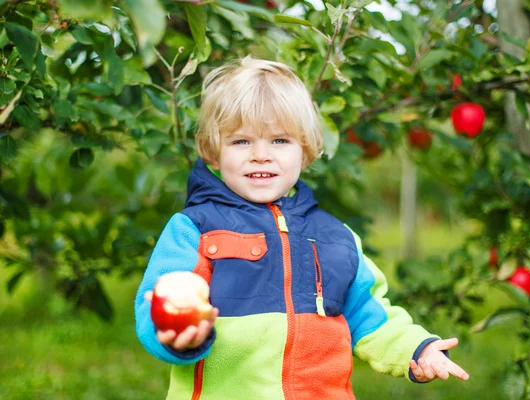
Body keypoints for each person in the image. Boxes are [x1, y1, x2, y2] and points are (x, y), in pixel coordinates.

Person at [135, 57, 469, 400]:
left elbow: (369, 314)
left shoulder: (336, 238)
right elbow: (155, 303)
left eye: (279, 140)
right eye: (241, 141)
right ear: (213, 153)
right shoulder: (195, 229)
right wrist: (173, 331)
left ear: (306, 150)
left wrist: (416, 348)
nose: (260, 154)